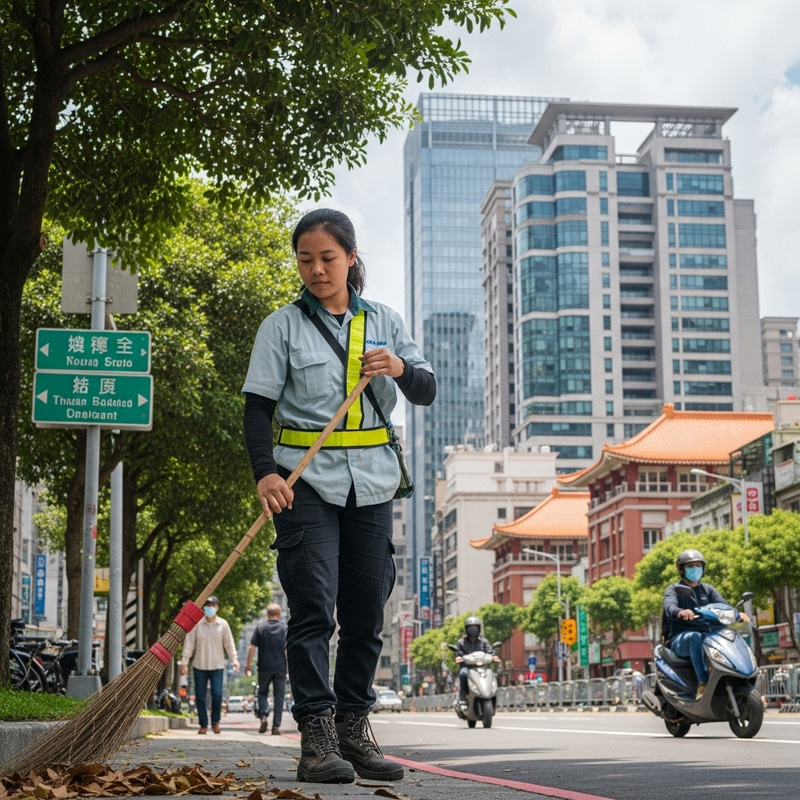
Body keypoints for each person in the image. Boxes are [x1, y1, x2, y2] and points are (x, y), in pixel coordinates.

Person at [242, 208, 435, 785]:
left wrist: (398, 366)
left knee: (364, 613)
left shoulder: (386, 320)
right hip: (305, 484)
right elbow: (257, 408)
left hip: (373, 484)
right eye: (305, 260)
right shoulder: (281, 326)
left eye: (328, 258)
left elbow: (424, 389)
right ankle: (317, 740)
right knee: (312, 609)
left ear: (351, 258)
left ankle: (355, 732)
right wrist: (265, 474)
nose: (317, 270)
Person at [663, 548, 749, 701]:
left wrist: (737, 614)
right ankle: (703, 682)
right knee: (695, 637)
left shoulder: (708, 590)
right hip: (681, 638)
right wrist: (680, 612)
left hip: (709, 635)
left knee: (730, 635)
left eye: (698, 565)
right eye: (690, 566)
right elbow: (669, 606)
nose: (695, 569)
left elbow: (724, 606)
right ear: (681, 569)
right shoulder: (674, 589)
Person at [180, 595, 240, 734]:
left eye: (212, 605)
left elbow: (229, 644)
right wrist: (184, 663)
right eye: (207, 605)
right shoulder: (196, 624)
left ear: (217, 608)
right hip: (199, 665)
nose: (209, 608)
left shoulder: (223, 624)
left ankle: (215, 722)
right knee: (200, 696)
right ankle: (203, 724)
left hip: (217, 666)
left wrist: (234, 660)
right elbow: (189, 645)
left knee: (217, 695)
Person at [245, 603, 288, 735]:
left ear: (267, 614)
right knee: (279, 697)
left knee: (262, 693)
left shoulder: (261, 628)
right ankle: (276, 727)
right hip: (281, 667)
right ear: (279, 615)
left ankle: (263, 715)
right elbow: (288, 649)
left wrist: (248, 666)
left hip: (264, 667)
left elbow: (252, 648)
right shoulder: (285, 628)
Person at [454, 615, 500, 707]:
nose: (473, 630)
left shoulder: (483, 641)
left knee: (491, 674)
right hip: (467, 668)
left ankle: (492, 695)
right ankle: (464, 697)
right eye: (471, 628)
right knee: (463, 674)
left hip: (482, 667)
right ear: (466, 629)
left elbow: (490, 651)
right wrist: (458, 657)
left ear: (479, 628)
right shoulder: (461, 642)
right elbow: (458, 653)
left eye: (475, 627)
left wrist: (493, 656)